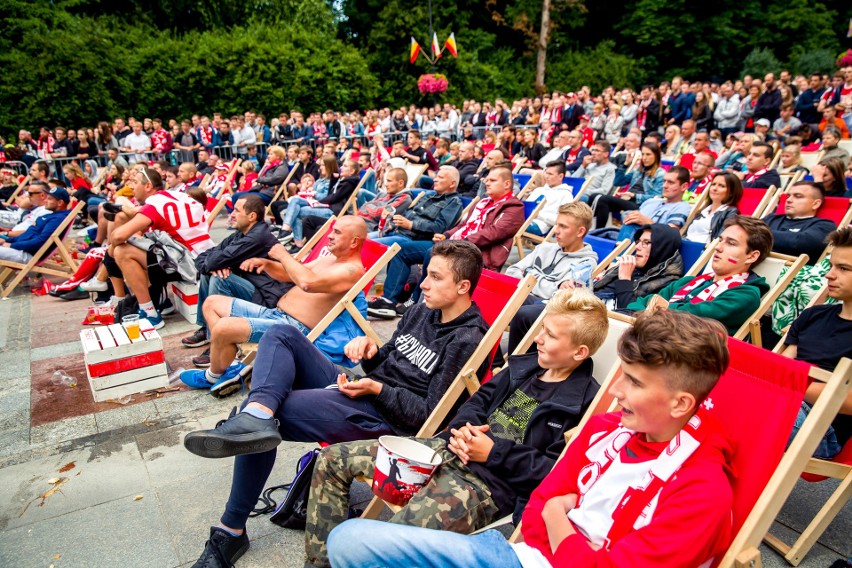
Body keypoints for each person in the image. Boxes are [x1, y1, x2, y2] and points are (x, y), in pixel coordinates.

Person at [326, 310, 735, 568]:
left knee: (390, 535)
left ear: (681, 403)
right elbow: (540, 505)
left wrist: (557, 516)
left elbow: (546, 499)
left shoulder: (701, 490)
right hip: (518, 548)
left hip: (495, 489)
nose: (617, 393)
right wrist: (466, 430)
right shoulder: (603, 428)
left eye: (633, 382)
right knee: (348, 539)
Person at [182, 240, 489, 567]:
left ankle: (230, 530)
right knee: (281, 335)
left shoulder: (468, 339)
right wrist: (369, 352)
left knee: (269, 419)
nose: (423, 283)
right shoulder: (421, 311)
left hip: (385, 419)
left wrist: (377, 389)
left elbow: (427, 417)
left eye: (435, 277)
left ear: (462, 286)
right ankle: (257, 412)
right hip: (364, 390)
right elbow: (385, 362)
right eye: (426, 274)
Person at [305, 289, 609, 567]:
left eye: (551, 335)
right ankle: (321, 562)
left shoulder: (583, 404)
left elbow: (555, 473)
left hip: (485, 484)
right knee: (331, 460)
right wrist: (464, 428)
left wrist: (493, 453)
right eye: (542, 328)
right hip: (447, 448)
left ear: (579, 352)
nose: (539, 338)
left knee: (388, 542)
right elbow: (478, 401)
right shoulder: (526, 367)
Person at [179, 216, 368, 394]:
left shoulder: (352, 271)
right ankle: (231, 366)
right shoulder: (329, 260)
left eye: (337, 232)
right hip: (275, 314)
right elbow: (289, 275)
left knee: (223, 327)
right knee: (211, 304)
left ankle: (212, 375)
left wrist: (283, 255)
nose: (330, 236)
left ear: (354, 242)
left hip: (293, 329)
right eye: (331, 231)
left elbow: (307, 283)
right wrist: (267, 264)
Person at [368, 165, 523, 319]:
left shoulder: (513, 207)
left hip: (477, 254)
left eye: (492, 180)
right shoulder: (483, 203)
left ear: (507, 184)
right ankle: (388, 301)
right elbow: (464, 225)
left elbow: (492, 233)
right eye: (487, 179)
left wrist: (459, 241)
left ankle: (416, 302)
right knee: (401, 250)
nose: (486, 183)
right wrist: (447, 235)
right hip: (457, 245)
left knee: (433, 252)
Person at [626, 215, 773, 334]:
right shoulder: (687, 282)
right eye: (720, 240)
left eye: (731, 243)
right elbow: (637, 304)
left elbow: (689, 317)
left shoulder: (745, 294)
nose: (718, 247)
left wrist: (657, 308)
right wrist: (655, 309)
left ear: (751, 256)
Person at [180, 196, 285, 358]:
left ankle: (220, 341)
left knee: (220, 278)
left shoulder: (256, 237)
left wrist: (215, 265)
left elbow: (213, 260)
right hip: (252, 285)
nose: (232, 214)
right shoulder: (240, 234)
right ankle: (207, 327)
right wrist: (214, 266)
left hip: (266, 297)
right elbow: (203, 257)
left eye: (237, 210)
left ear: (252, 216)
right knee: (211, 274)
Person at [109, 167, 215, 328]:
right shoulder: (178, 195)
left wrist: (112, 244)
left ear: (148, 186)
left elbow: (118, 236)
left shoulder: (154, 204)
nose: (131, 186)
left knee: (122, 251)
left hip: (191, 262)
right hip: (205, 254)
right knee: (142, 248)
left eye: (135, 182)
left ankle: (150, 314)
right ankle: (161, 301)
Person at [783, 227, 852, 459]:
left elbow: (848, 402)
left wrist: (791, 384)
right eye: (832, 266)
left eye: (843, 269)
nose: (829, 275)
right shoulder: (813, 315)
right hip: (785, 404)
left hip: (822, 431)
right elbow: (781, 365)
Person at [505, 202, 599, 352]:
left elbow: (561, 299)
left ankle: (513, 367)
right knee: (488, 297)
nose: (556, 230)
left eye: (563, 226)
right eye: (556, 225)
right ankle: (493, 364)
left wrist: (529, 276)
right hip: (529, 298)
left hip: (547, 309)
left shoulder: (585, 264)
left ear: (580, 231)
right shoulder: (545, 248)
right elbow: (512, 271)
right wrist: (553, 285)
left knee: (522, 310)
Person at [594, 223, 684, 312]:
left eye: (646, 242)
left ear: (662, 248)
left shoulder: (668, 284)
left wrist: (624, 279)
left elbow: (631, 314)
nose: (637, 247)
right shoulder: (633, 267)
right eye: (638, 242)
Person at [588, 141, 665, 229]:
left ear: (656, 156)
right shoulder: (638, 170)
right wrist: (625, 165)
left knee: (602, 198)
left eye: (648, 154)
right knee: (596, 197)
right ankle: (599, 230)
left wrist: (634, 195)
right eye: (643, 154)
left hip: (642, 205)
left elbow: (657, 197)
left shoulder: (660, 174)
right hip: (628, 201)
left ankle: (598, 230)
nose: (644, 158)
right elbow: (618, 182)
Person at [761, 180, 837, 265]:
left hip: (792, 273)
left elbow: (803, 242)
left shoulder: (825, 225)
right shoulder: (771, 218)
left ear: (815, 204)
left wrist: (761, 233)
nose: (789, 200)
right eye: (788, 196)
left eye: (798, 196)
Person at [613, 165, 693, 241]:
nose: (664, 186)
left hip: (650, 245)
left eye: (670, 182)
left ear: (684, 187)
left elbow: (671, 235)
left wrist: (647, 223)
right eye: (664, 181)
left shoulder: (682, 207)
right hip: (634, 240)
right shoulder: (651, 202)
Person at [0, 186, 72, 263]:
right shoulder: (52, 215)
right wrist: (7, 240)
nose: (45, 201)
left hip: (27, 254)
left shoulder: (57, 219)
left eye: (49, 199)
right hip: (21, 249)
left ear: (60, 203)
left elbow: (40, 241)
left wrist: (11, 245)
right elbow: (28, 235)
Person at [684, 172, 742, 243]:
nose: (715, 188)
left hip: (703, 251)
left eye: (721, 186)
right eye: (713, 184)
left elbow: (720, 241)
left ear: (731, 192)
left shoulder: (731, 213)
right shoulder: (703, 210)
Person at [524, 161, 574, 236]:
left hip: (540, 225)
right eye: (546, 173)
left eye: (550, 174)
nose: (546, 176)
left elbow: (562, 220)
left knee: (510, 224)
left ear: (560, 176)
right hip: (525, 219)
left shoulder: (566, 194)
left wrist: (538, 214)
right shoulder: (539, 190)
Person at [354, 167, 412, 232]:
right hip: (361, 221)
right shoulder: (383, 194)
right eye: (386, 181)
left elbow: (379, 214)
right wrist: (372, 207)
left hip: (371, 228)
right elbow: (364, 208)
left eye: (389, 181)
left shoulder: (404, 198)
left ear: (400, 183)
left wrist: (368, 205)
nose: (386, 184)